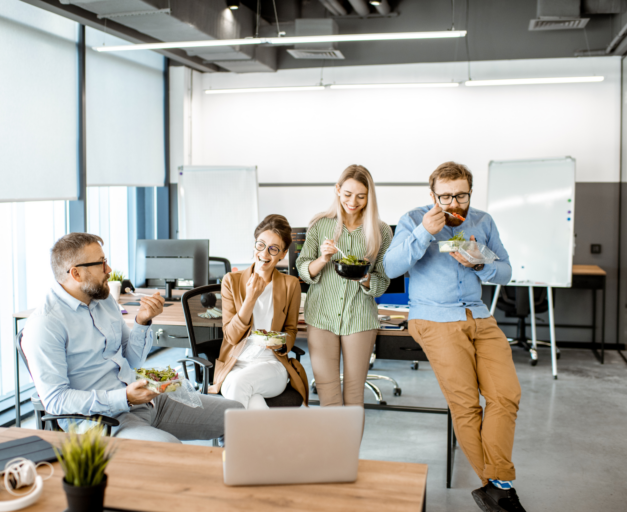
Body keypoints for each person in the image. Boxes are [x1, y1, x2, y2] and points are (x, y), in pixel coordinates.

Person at [384, 162, 526, 512]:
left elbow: (506, 271)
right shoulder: (413, 219)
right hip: (435, 318)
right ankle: (500, 486)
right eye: (445, 196)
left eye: (461, 196)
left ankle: (495, 484)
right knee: (466, 405)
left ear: (470, 192)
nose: (453, 204)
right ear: (432, 195)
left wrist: (480, 264)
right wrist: (424, 232)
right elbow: (390, 268)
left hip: (479, 316)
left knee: (506, 396)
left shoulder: (483, 221)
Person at [24, 233, 242, 443]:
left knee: (237, 415)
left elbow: (132, 360)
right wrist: (124, 397)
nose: (109, 270)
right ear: (76, 273)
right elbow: (55, 400)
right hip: (104, 421)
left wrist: (142, 320)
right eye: (101, 263)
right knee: (169, 448)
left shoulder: (104, 301)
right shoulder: (45, 324)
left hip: (146, 401)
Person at [296, 165, 392, 409]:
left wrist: (364, 277)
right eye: (348, 194)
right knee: (328, 396)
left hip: (359, 318)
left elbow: (383, 282)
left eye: (361, 196)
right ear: (338, 190)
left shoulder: (381, 231)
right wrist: (323, 259)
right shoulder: (320, 225)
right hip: (321, 316)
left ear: (369, 196)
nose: (353, 202)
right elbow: (303, 269)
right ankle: (333, 438)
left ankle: (350, 438)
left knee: (354, 396)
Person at [211, 214, 308, 408]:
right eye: (260, 245)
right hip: (234, 364)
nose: (264, 253)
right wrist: (250, 298)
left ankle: (228, 430)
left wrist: (281, 344)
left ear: (283, 254)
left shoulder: (290, 284)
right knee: (252, 401)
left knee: (239, 385)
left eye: (274, 249)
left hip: (271, 364)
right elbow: (231, 336)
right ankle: (259, 429)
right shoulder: (231, 281)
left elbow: (291, 330)